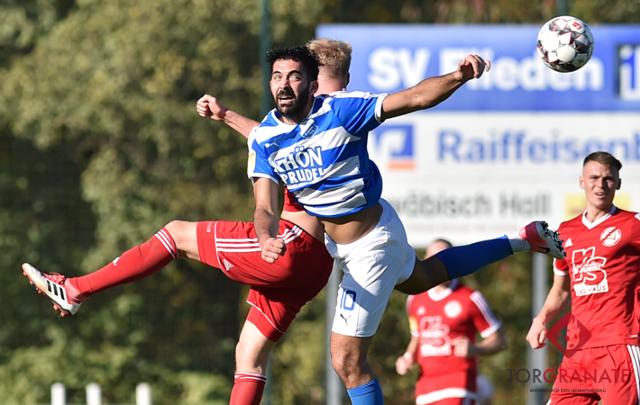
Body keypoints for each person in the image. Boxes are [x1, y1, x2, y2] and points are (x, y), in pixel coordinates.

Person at [215, 45, 564, 404]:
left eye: (294, 76)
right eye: (277, 76)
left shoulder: (342, 110)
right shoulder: (266, 135)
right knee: (423, 278)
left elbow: (415, 96)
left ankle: (522, 239)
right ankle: (521, 238)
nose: (284, 84)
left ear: (313, 84)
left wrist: (458, 76)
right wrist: (264, 234)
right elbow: (264, 206)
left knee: (347, 360)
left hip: (371, 245)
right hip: (361, 238)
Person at [525, 151, 640, 404]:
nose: (601, 185)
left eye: (608, 179)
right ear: (582, 182)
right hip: (577, 350)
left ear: (618, 184)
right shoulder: (565, 232)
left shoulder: (633, 224)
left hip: (618, 345)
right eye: (594, 178)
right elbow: (561, 289)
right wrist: (541, 319)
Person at [395, 239, 506, 405]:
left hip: (458, 383)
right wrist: (407, 357)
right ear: (425, 262)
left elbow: (499, 340)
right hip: (425, 386)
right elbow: (417, 336)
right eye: (435, 259)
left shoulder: (470, 298)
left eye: (446, 258)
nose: (441, 264)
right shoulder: (414, 300)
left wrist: (475, 349)